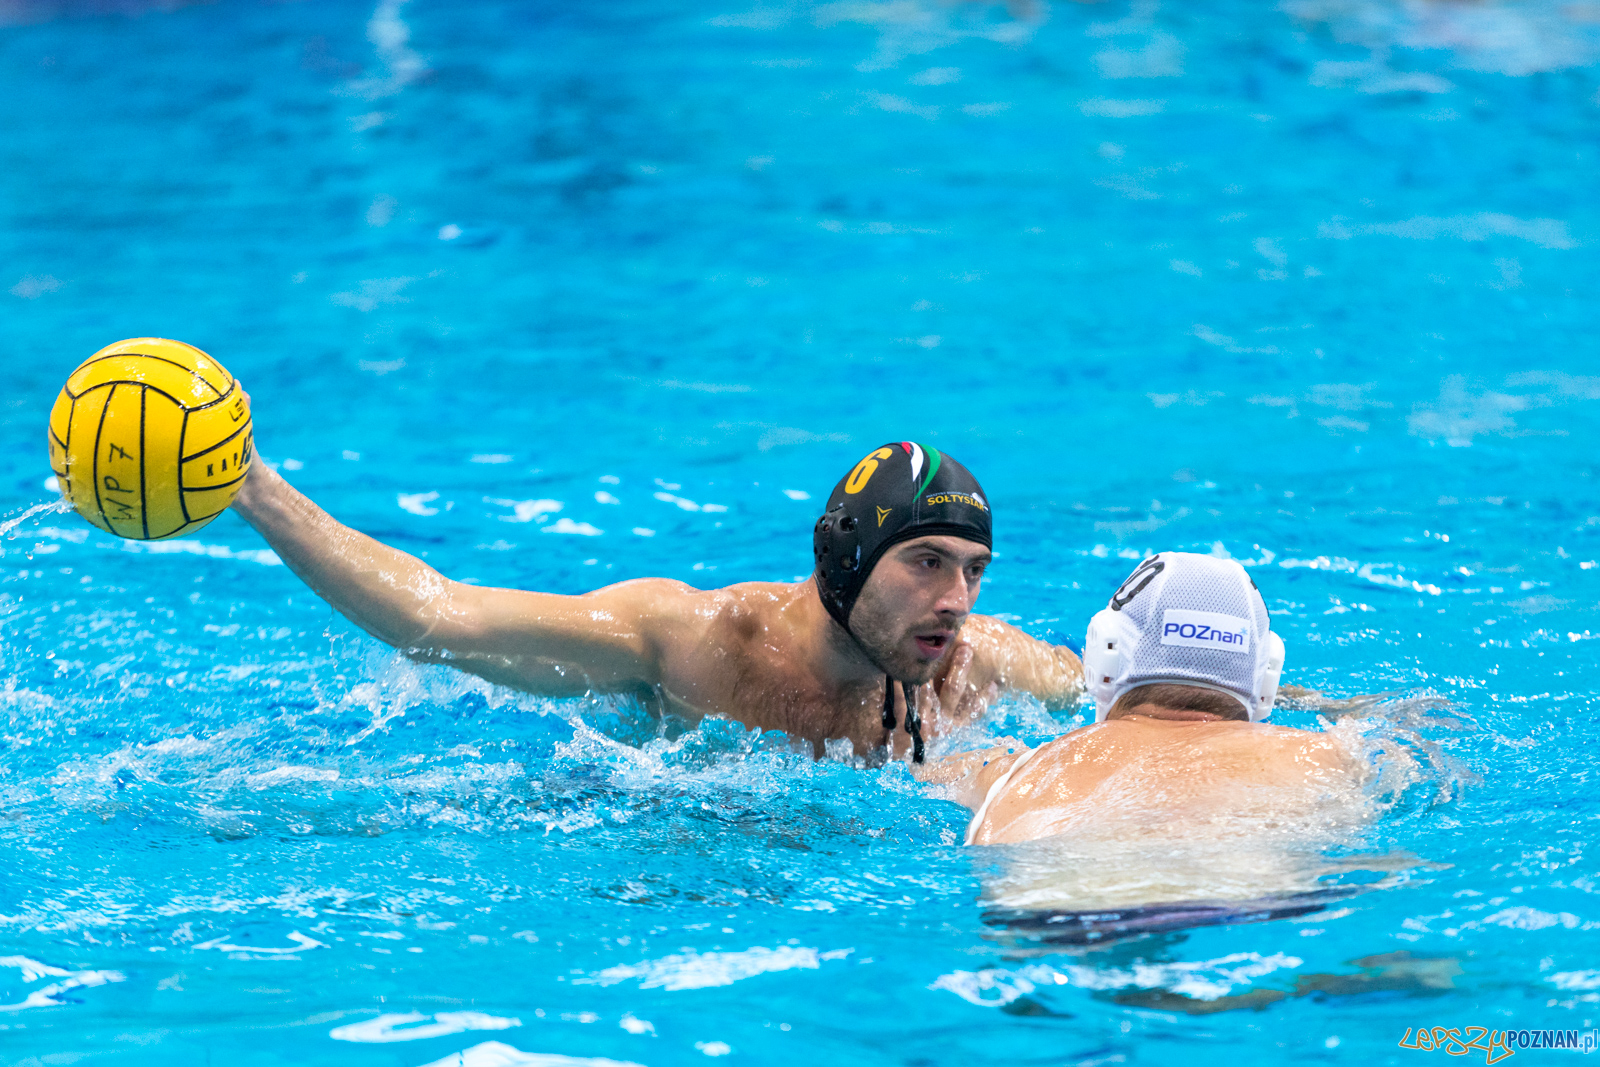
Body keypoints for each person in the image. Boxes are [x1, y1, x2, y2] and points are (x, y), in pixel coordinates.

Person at [232, 435, 1083, 759]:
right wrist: (256, 490)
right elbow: (438, 615)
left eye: (974, 569)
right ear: (846, 559)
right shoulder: (692, 641)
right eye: (927, 561)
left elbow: (1105, 685)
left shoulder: (975, 663)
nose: (957, 599)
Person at [921, 552, 1359, 847]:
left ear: (1103, 655)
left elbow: (913, 773)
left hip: (1058, 906)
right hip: (1248, 904)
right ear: (1266, 677)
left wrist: (940, 737)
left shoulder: (1011, 771)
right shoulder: (1330, 754)